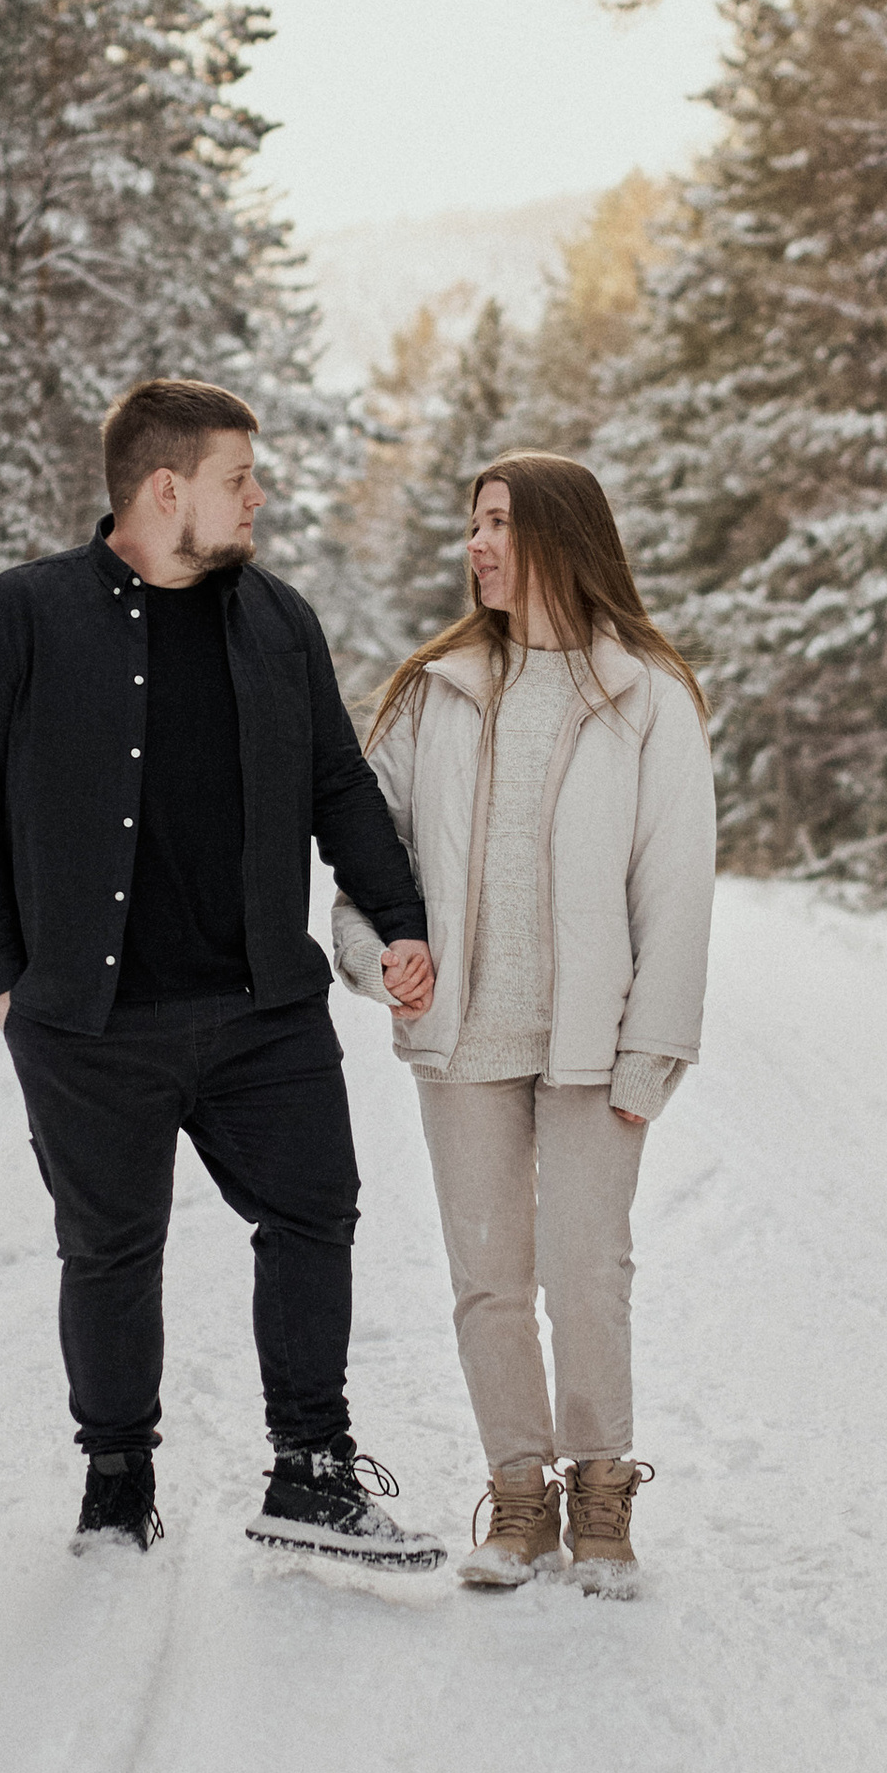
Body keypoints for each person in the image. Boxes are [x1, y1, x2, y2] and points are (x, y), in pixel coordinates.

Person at [0, 376, 442, 1565]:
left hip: (263, 1006)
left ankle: (310, 1473)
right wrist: (3, 977)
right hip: (89, 1020)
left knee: (315, 1213)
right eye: (239, 479)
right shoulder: (18, 619)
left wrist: (398, 916)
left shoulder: (278, 622)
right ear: (167, 489)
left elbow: (336, 784)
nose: (259, 498)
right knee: (110, 1251)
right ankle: (116, 1486)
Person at [333, 455, 715, 1598]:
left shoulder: (644, 692)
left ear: (561, 536)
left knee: (586, 1270)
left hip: (593, 1046)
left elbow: (676, 888)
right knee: (487, 1276)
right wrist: (371, 955)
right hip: (461, 1038)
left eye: (499, 524)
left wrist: (656, 1049)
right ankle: (516, 1492)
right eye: (472, 526)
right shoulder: (432, 691)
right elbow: (367, 858)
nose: (478, 546)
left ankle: (600, 1492)